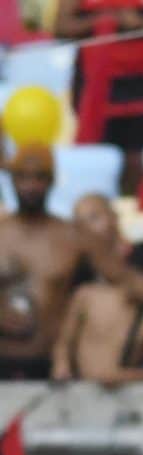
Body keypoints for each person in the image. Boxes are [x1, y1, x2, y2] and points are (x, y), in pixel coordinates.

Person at [56, 0, 143, 195]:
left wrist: (139, 23)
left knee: (139, 161)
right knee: (98, 162)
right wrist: (105, 21)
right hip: (98, 87)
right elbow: (61, 27)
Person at [0, 147, 87, 379]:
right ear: (12, 179)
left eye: (39, 177)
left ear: (52, 181)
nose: (30, 186)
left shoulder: (73, 238)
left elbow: (100, 293)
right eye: (23, 177)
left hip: (50, 365)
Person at [51, 241, 143, 382]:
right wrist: (61, 365)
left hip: (122, 396)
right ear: (132, 272)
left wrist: (124, 376)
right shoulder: (88, 297)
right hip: (79, 389)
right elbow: (64, 342)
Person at [72, 193, 129, 285]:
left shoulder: (139, 258)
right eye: (79, 223)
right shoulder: (82, 268)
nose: (85, 227)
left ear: (113, 215)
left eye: (93, 218)